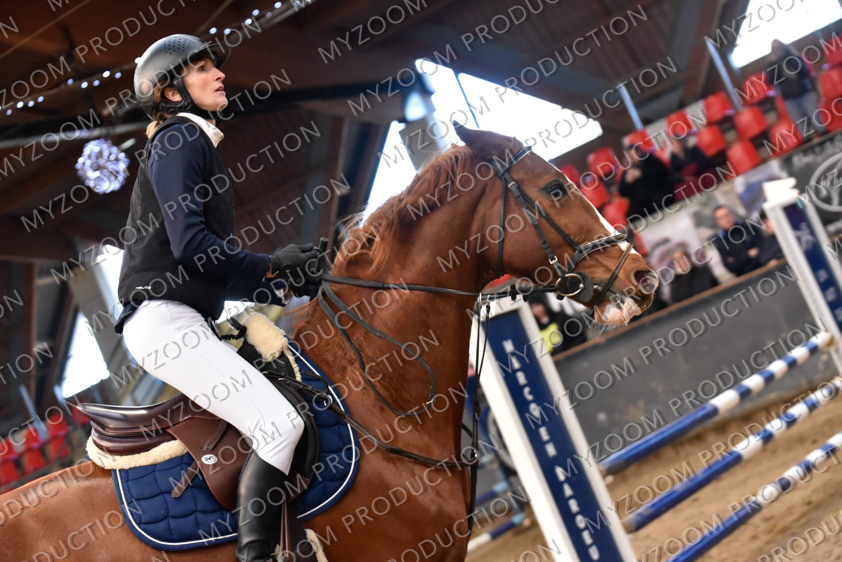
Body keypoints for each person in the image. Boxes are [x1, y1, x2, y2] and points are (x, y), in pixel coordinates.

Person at [115, 35, 322, 562]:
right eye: (203, 68)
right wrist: (271, 264)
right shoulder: (181, 138)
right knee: (279, 426)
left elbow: (204, 269)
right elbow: (193, 246)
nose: (219, 74)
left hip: (179, 314)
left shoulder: (189, 140)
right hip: (165, 322)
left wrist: (281, 281)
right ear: (171, 93)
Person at [765, 39, 827, 139]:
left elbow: (804, 71)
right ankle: (808, 141)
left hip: (804, 92)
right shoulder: (772, 64)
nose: (778, 50)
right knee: (800, 123)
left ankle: (825, 136)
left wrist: (789, 57)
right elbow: (771, 81)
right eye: (775, 48)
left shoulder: (793, 56)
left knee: (816, 117)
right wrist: (773, 64)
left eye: (779, 47)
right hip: (789, 98)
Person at [618, 144, 674, 223]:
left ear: (639, 153)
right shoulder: (628, 170)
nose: (632, 158)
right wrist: (627, 181)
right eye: (629, 156)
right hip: (640, 201)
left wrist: (641, 173)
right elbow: (622, 192)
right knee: (632, 215)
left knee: (658, 203)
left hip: (657, 192)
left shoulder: (651, 160)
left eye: (633, 155)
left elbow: (662, 172)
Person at [710, 205, 764, 277]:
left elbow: (763, 248)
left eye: (727, 215)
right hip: (744, 278)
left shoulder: (748, 228)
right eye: (721, 218)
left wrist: (738, 259)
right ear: (717, 222)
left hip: (763, 269)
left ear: (732, 214)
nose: (726, 219)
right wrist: (748, 254)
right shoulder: (721, 242)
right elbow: (731, 267)